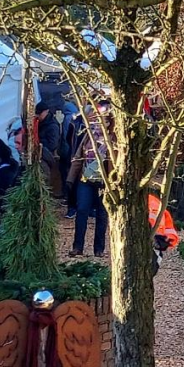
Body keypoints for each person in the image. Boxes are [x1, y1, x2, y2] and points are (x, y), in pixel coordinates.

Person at [71, 101, 111, 257]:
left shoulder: (113, 138)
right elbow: (79, 155)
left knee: (102, 214)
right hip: (86, 179)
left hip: (104, 182)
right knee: (82, 210)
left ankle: (99, 249)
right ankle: (77, 247)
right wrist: (70, 177)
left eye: (104, 119)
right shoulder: (89, 134)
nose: (100, 122)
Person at [35, 100, 62, 190]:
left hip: (48, 156)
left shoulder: (52, 126)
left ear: (46, 111)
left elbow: (52, 144)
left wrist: (38, 142)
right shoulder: (41, 123)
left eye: (39, 114)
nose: (38, 116)